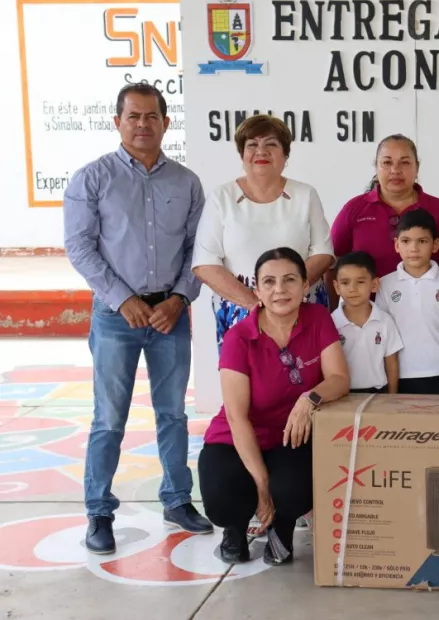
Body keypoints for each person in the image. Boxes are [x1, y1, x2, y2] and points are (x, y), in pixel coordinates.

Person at [63, 82, 211, 555]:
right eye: (133, 116)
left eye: (152, 116)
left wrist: (180, 299)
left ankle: (176, 499)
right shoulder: (92, 179)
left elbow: (198, 250)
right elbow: (80, 247)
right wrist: (122, 299)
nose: (143, 124)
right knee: (109, 419)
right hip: (114, 317)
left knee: (172, 414)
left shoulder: (186, 182)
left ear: (166, 123)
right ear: (117, 122)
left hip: (170, 315)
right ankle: (99, 512)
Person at [198, 248, 350, 565]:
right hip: (238, 436)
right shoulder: (239, 338)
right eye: (269, 282)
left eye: (289, 280)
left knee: (296, 489)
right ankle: (235, 530)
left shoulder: (318, 318)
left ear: (305, 285)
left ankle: (282, 526)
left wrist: (309, 398)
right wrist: (262, 486)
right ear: (257, 290)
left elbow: (338, 378)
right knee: (222, 498)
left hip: (292, 434)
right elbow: (238, 418)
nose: (279, 289)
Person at [192, 115, 334, 351]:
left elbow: (323, 253)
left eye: (271, 144)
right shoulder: (222, 197)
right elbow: (205, 264)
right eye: (252, 145)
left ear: (285, 155)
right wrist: (259, 303)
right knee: (247, 386)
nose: (261, 151)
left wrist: (287, 293)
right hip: (242, 312)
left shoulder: (305, 194)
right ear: (242, 154)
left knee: (310, 383)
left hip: (301, 308)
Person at [330, 134, 439, 282]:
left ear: (417, 167)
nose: (395, 170)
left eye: (404, 163)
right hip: (367, 304)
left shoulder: (438, 210)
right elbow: (332, 262)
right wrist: (335, 305)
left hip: (427, 303)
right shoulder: (354, 209)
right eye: (387, 162)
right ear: (376, 166)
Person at [376, 209, 439, 394]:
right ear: (396, 245)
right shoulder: (385, 284)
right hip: (403, 373)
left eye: (422, 241)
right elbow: (382, 333)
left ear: (435, 244)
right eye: (406, 241)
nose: (413, 248)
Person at [331, 251, 403, 394]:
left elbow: (391, 362)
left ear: (374, 284)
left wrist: (392, 397)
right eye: (345, 283)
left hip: (379, 394)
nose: (352, 288)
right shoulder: (331, 323)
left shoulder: (385, 321)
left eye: (360, 282)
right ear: (337, 287)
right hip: (342, 395)